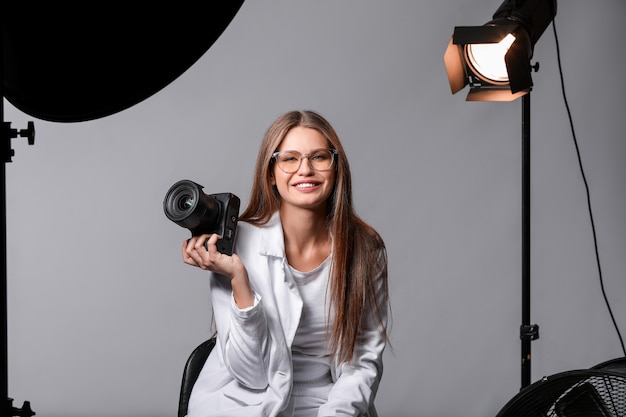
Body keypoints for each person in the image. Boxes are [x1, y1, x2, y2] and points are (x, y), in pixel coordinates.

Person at [182, 110, 390, 417]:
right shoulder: (234, 245)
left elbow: (363, 361)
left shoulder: (365, 249)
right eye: (289, 159)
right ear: (271, 174)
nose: (305, 169)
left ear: (336, 168)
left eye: (319, 157)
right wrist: (239, 279)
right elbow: (250, 375)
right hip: (244, 402)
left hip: (332, 401)